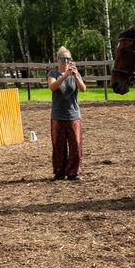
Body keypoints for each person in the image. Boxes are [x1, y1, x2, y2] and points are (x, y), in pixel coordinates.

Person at [47, 46, 86, 180]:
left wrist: (75, 76)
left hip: (73, 115)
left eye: (68, 59)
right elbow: (52, 87)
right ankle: (59, 172)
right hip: (58, 115)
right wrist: (65, 76)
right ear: (57, 60)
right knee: (58, 145)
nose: (65, 61)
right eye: (62, 59)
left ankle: (74, 172)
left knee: (75, 145)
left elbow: (83, 89)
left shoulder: (75, 73)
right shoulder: (53, 74)